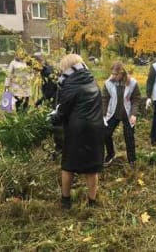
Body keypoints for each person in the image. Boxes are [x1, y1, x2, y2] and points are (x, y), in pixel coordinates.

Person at [49, 54, 104, 209]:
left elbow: (62, 112)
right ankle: (92, 202)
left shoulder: (70, 84)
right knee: (92, 169)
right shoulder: (92, 80)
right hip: (96, 129)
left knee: (68, 166)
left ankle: (66, 200)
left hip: (77, 131)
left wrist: (51, 120)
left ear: (67, 68)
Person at [102, 61, 141, 167]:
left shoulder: (132, 83)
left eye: (116, 74)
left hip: (127, 114)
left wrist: (133, 114)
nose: (114, 76)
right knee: (106, 134)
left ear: (122, 73)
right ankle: (111, 154)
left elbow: (136, 99)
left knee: (129, 137)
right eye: (113, 74)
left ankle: (132, 160)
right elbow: (104, 99)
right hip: (113, 113)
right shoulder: (108, 83)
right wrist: (103, 114)